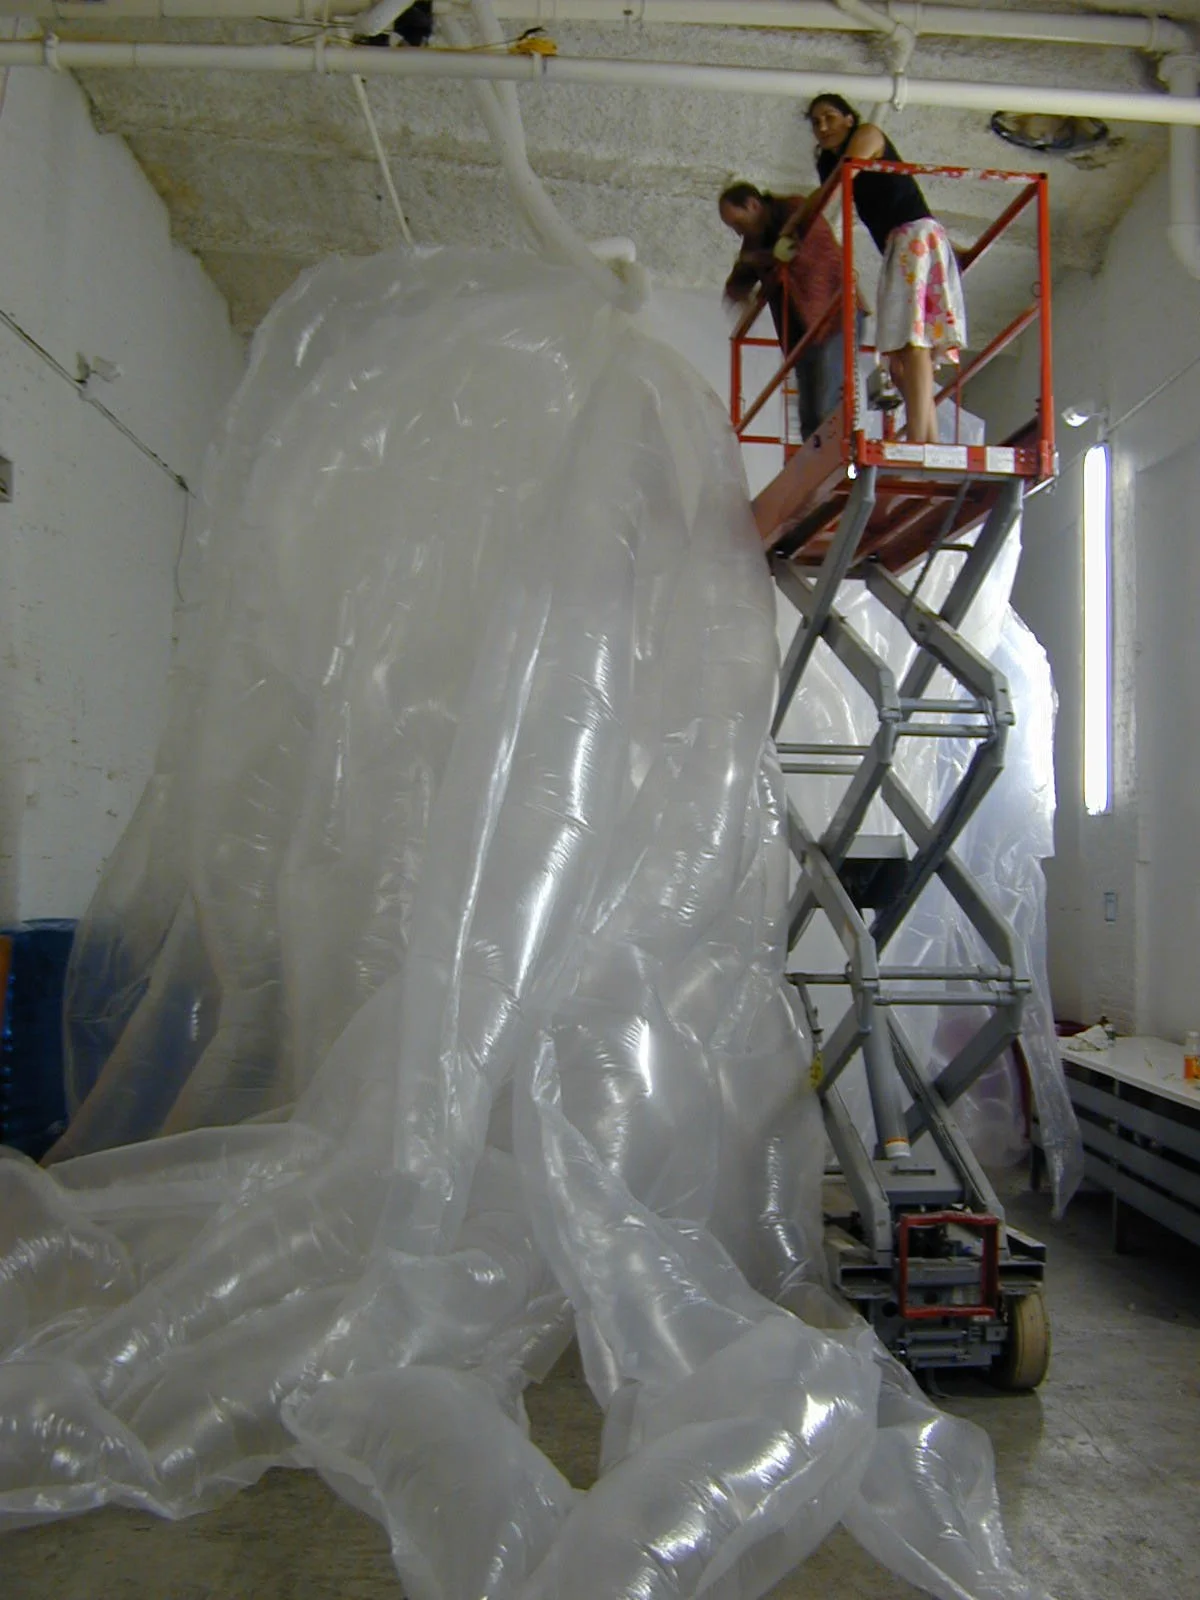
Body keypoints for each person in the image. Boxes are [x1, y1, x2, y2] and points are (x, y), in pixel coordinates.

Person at [802, 93, 967, 445]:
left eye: (829, 117)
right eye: (815, 122)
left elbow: (834, 187)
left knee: (912, 341)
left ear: (849, 119)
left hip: (913, 237)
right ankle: (925, 432)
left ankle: (924, 437)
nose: (822, 126)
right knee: (899, 353)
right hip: (901, 243)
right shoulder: (838, 163)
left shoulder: (868, 135)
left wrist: (792, 227)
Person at [719, 181, 851, 441]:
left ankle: (833, 455)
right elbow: (736, 285)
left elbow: (803, 254)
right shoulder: (754, 240)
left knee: (826, 400)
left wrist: (759, 260)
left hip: (832, 316)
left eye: (738, 223)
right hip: (803, 331)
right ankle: (815, 464)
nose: (738, 232)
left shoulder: (794, 210)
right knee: (810, 412)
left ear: (754, 205)